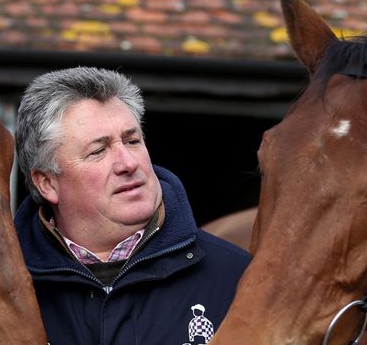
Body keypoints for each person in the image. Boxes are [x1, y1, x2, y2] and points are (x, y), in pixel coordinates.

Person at [14, 66, 251, 345]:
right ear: (47, 184)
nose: (128, 163)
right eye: (98, 150)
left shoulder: (238, 278)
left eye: (133, 141)